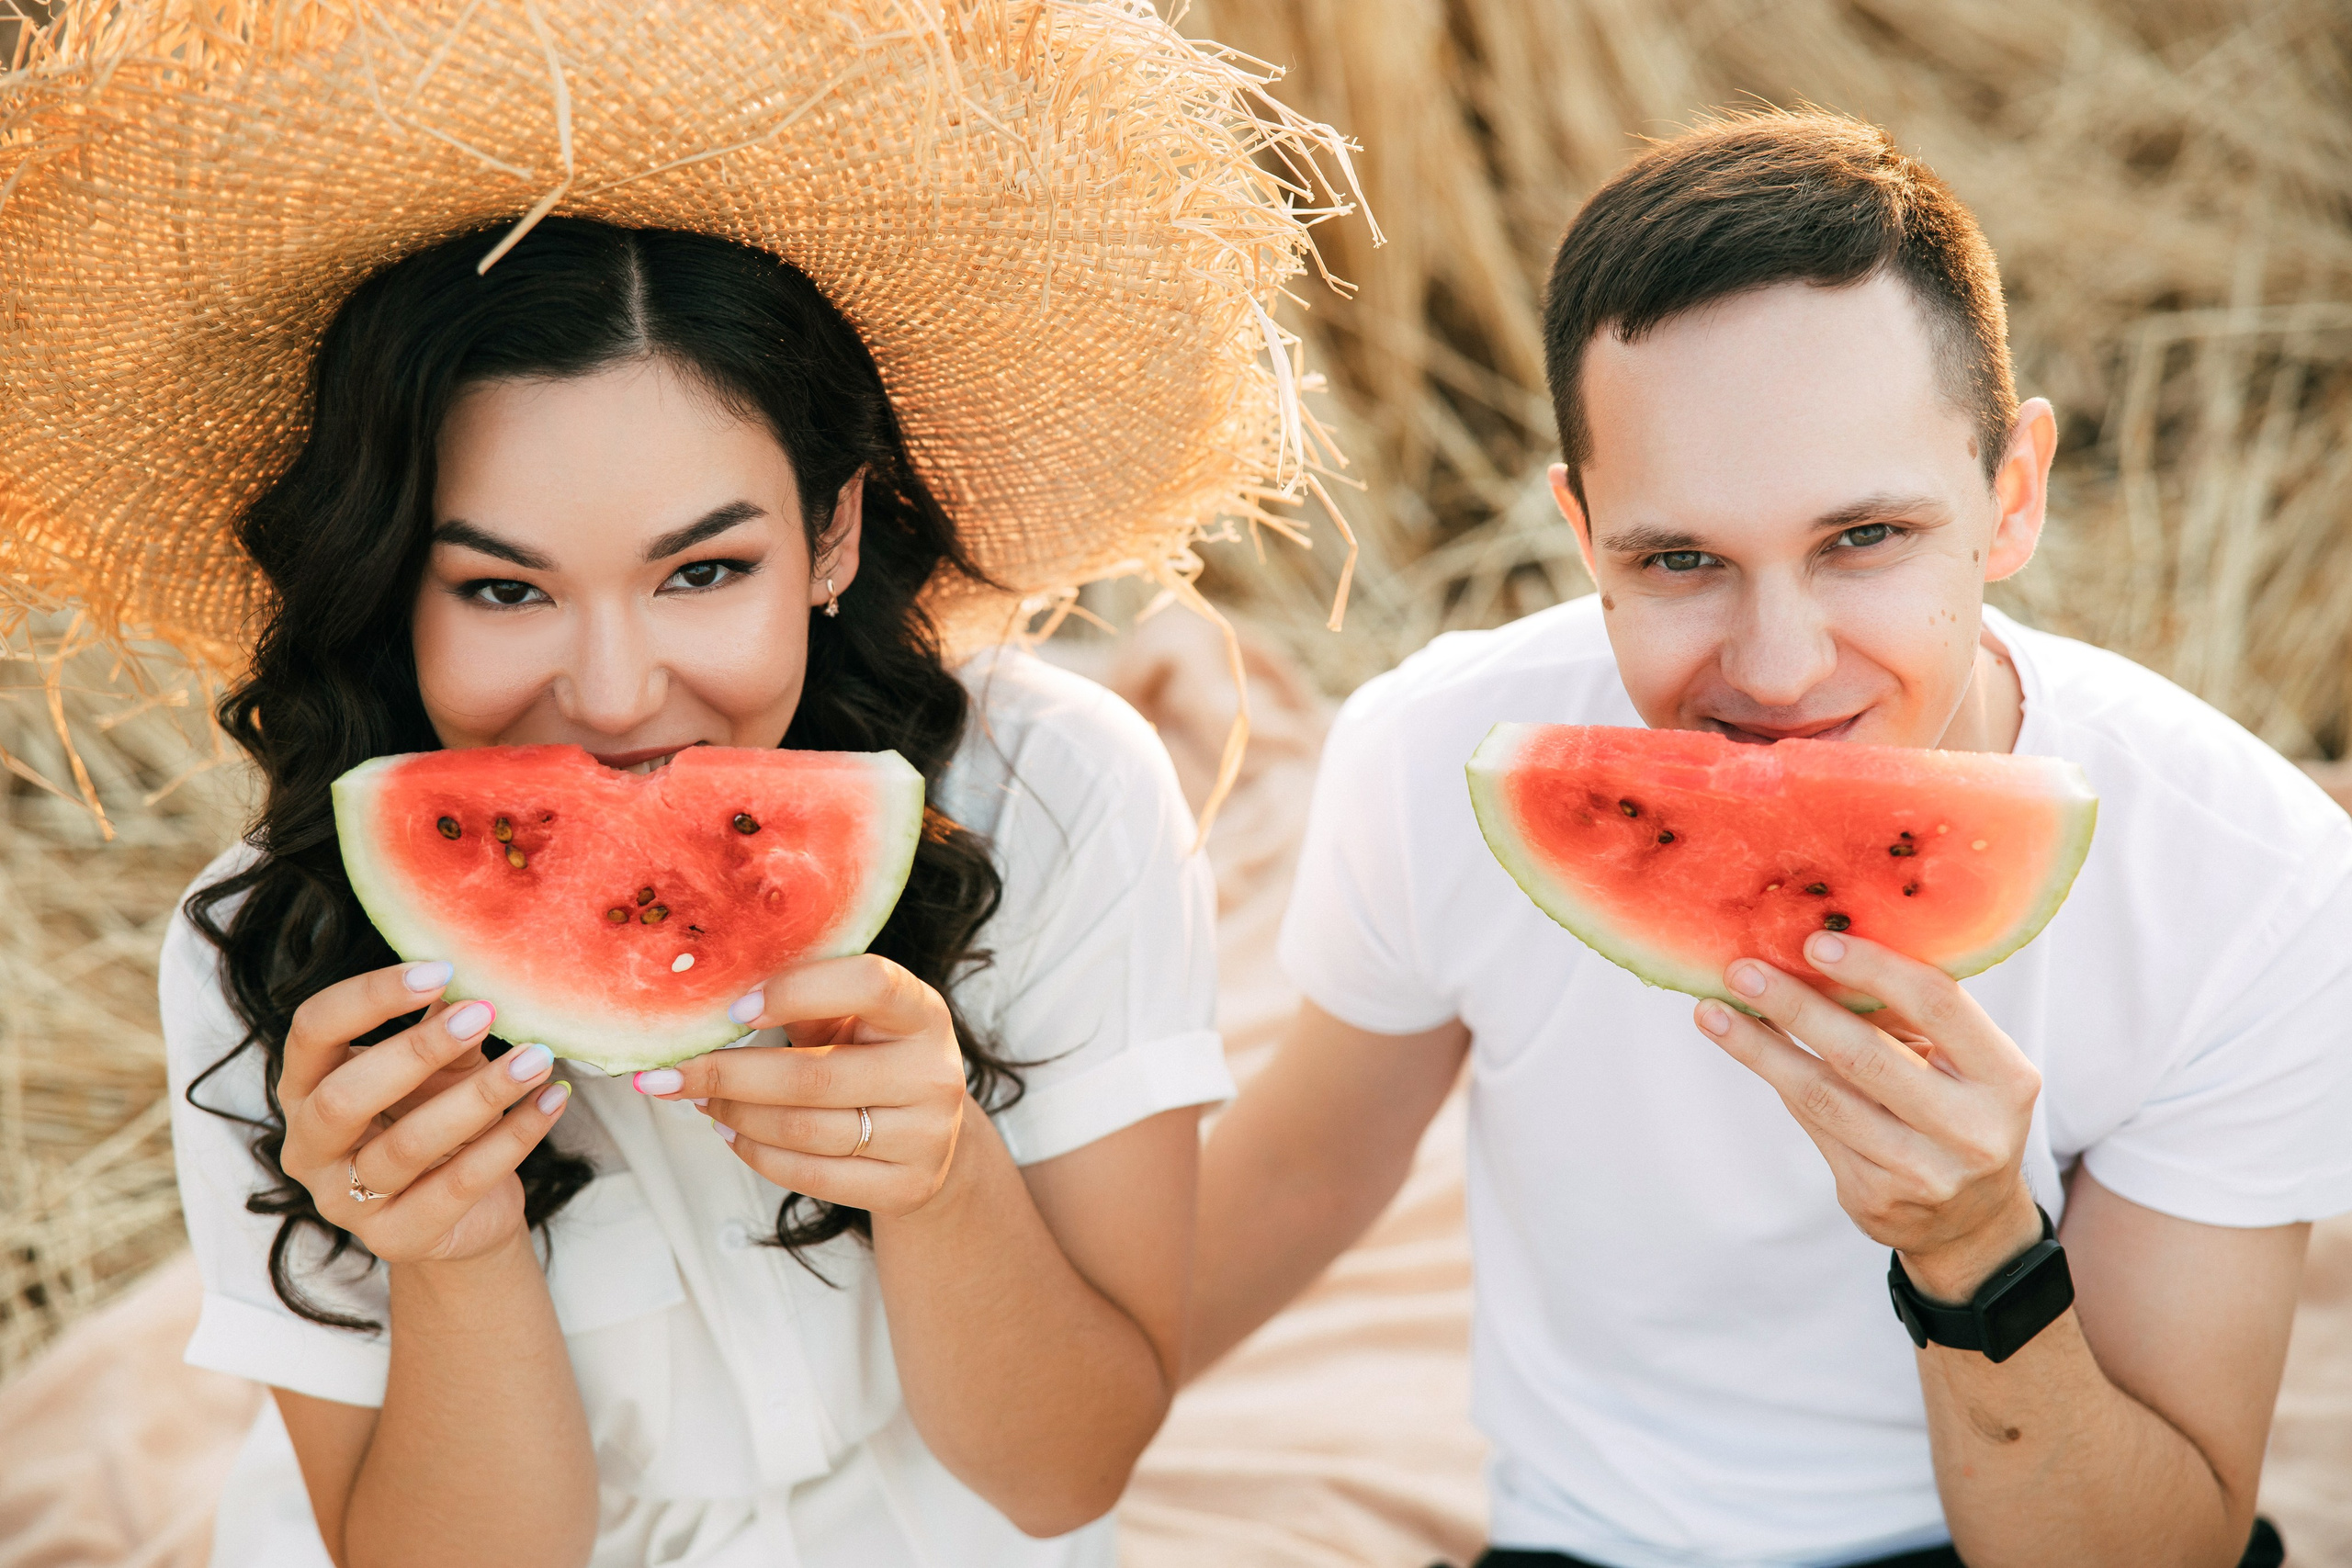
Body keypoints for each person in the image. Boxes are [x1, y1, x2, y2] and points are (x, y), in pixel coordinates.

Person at [0, 7, 1359, 1565]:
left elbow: (1062, 1478)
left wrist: (942, 1176)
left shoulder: (1055, 793)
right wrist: (450, 1254)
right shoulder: (271, 950)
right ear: (392, 589)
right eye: (505, 591)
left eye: (703, 571)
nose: (620, 694)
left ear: (835, 533)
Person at [1193, 111, 2352, 1568]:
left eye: (1862, 540)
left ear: (2014, 495)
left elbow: (2154, 1548)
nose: (1784, 669)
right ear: (1582, 530)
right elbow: (1296, 1181)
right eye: (1681, 560)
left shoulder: (2253, 885)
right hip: (1586, 1546)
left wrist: (1978, 1248)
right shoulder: (1436, 764)